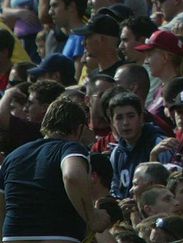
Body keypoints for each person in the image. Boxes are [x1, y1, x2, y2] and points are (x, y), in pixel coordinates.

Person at [0, 96, 113, 242]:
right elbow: (72, 176)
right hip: (58, 235)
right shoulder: (70, 147)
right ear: (79, 129)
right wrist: (92, 217)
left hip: (13, 236)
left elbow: (1, 200)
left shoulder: (13, 156)